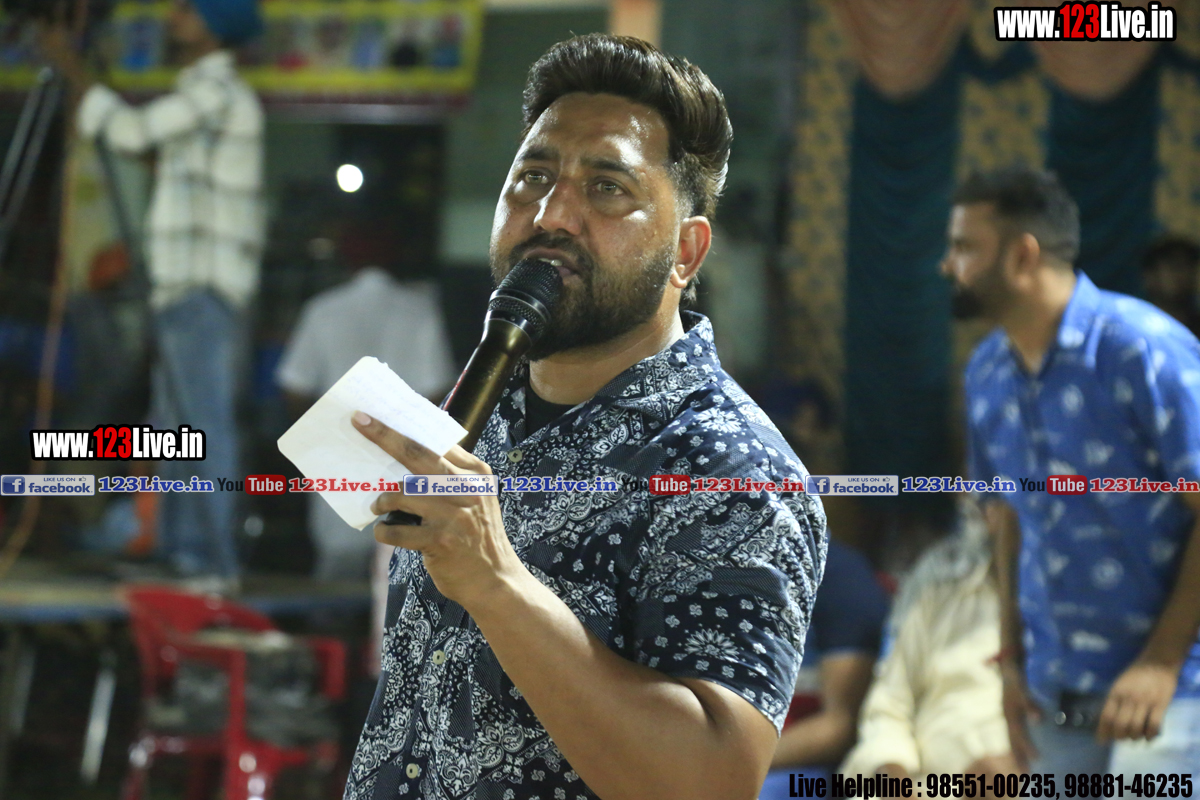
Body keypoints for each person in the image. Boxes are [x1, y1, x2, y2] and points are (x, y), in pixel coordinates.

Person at [344, 34, 827, 800]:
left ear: (686, 253)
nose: (551, 214)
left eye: (606, 188)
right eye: (533, 177)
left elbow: (712, 780)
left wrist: (498, 583)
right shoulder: (476, 412)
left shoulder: (733, 471)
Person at [943, 165, 1200, 777]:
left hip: (1174, 692)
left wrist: (1161, 662)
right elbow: (1006, 519)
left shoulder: (1143, 350)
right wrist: (1011, 661)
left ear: (1023, 256)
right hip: (1052, 693)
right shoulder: (986, 373)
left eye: (964, 247)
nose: (947, 265)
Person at [38, 0, 266, 583]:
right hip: (186, 290)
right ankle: (183, 552)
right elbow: (142, 146)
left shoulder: (215, 91)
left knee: (201, 427)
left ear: (214, 26)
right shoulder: (204, 96)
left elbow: (133, 130)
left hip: (202, 289)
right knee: (177, 432)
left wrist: (71, 67)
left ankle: (211, 561)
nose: (172, 17)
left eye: (187, 10)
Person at [276, 230, 457, 583]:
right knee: (400, 578)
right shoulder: (419, 311)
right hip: (402, 464)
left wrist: (319, 435)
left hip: (338, 461)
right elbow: (438, 389)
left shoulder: (324, 309)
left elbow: (294, 385)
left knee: (335, 577)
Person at [840, 499, 1017, 778]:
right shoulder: (942, 573)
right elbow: (888, 708)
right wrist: (893, 775)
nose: (994, 510)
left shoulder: (1072, 616)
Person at [758, 538, 889, 798]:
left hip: (795, 765)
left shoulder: (840, 576)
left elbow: (840, 726)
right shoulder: (708, 567)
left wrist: (726, 763)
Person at [1142, 235, 1200, 339]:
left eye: (1189, 266)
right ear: (1151, 276)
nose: (1183, 274)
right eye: (1175, 267)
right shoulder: (1137, 324)